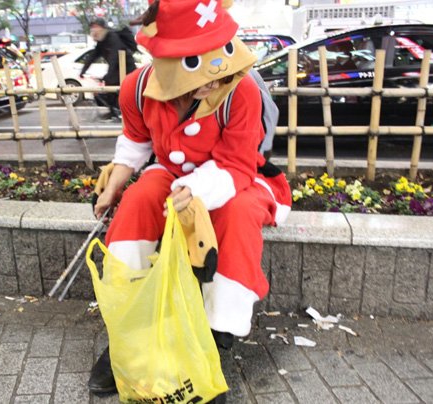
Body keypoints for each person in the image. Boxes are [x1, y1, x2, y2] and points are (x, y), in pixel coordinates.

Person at [88, 0, 292, 401]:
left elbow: (235, 166)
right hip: (173, 174)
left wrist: (194, 193)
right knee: (139, 199)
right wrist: (115, 183)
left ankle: (213, 343)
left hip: (235, 177)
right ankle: (131, 330)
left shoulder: (242, 90)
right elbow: (135, 139)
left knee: (236, 216)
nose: (215, 80)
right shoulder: (138, 88)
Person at [80, 17, 137, 121]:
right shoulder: (102, 42)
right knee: (110, 89)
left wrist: (108, 75)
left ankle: (121, 113)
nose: (93, 30)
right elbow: (93, 55)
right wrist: (83, 71)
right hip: (116, 70)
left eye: (96, 27)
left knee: (115, 88)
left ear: (103, 28)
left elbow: (113, 57)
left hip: (126, 68)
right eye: (92, 28)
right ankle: (114, 112)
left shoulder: (112, 37)